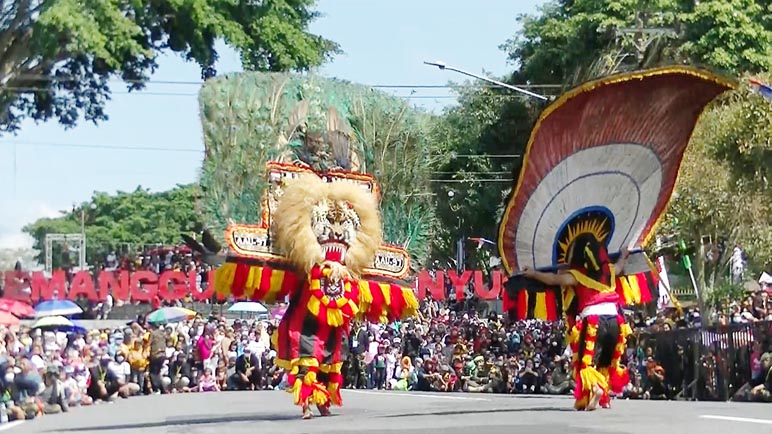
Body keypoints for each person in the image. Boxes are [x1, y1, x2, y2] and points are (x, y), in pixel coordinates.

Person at [523, 233, 631, 411]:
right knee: (605, 361)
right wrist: (623, 254)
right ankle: (605, 397)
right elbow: (621, 265)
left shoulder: (577, 275)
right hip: (615, 321)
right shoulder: (610, 270)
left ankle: (596, 389)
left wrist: (534, 273)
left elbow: (554, 280)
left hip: (593, 321)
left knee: (584, 362)